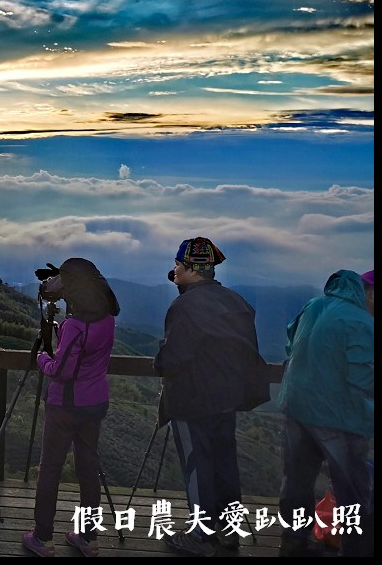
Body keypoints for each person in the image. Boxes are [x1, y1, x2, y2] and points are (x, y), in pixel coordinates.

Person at [153, 237, 269, 557]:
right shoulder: (237, 301)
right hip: (228, 397)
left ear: (192, 269)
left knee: (198, 466)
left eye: (178, 265)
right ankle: (228, 531)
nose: (174, 270)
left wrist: (160, 361)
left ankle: (201, 538)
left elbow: (173, 357)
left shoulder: (186, 305)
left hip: (192, 400)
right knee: (223, 464)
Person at [22, 258, 119, 558]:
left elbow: (60, 370)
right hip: (95, 402)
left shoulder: (75, 325)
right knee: (88, 469)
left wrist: (41, 359)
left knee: (50, 468)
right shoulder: (107, 319)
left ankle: (42, 537)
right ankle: (89, 539)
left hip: (66, 405)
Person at [277, 268, 374, 557]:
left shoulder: (313, 305)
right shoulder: (362, 322)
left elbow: (289, 342)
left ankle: (293, 545)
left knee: (296, 484)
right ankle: (356, 551)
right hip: (338, 418)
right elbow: (363, 377)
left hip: (295, 408)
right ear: (370, 292)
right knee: (353, 492)